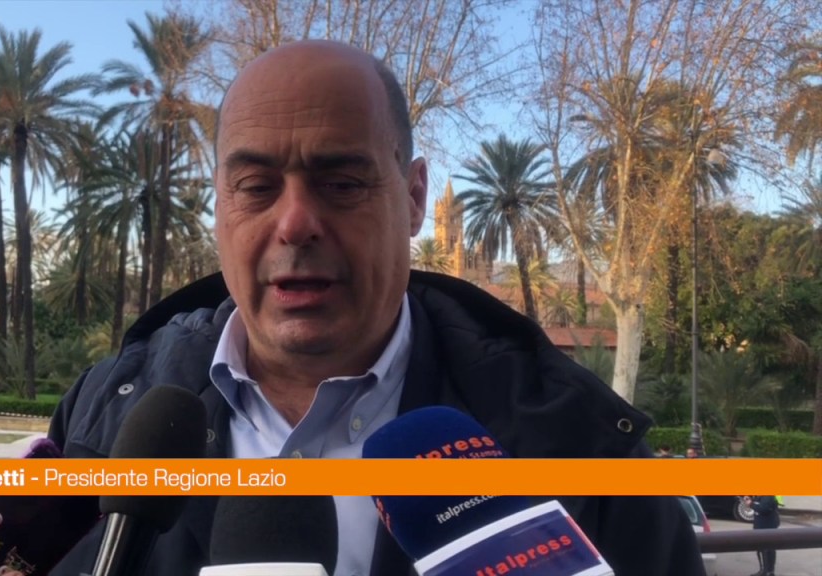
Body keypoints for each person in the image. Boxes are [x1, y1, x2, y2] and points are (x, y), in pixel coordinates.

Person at [44, 40, 705, 576]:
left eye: (341, 183)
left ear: (414, 199)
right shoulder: (104, 413)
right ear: (220, 204)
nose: (295, 223)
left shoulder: (576, 442)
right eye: (256, 186)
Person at [745, 495, 780, 576]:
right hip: (760, 526)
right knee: (761, 549)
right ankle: (763, 570)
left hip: (767, 526)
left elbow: (764, 508)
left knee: (768, 549)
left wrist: (751, 504)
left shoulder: (768, 496)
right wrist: (750, 500)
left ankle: (768, 571)